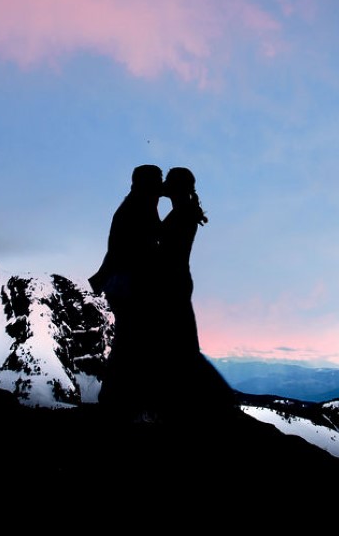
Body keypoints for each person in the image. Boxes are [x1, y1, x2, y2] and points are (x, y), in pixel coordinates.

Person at [152, 167, 237, 418]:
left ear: (177, 187)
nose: (164, 184)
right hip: (177, 280)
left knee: (180, 344)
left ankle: (212, 400)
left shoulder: (182, 214)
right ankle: (206, 400)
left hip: (172, 282)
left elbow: (161, 243)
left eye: (169, 181)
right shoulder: (183, 211)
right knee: (182, 341)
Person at [90, 164, 163, 414]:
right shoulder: (139, 207)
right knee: (131, 341)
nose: (161, 184)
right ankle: (119, 403)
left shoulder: (138, 202)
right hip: (129, 284)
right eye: (158, 180)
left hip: (122, 283)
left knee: (130, 340)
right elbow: (149, 242)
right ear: (148, 183)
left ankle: (118, 400)